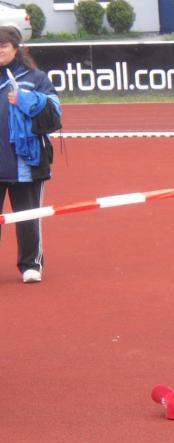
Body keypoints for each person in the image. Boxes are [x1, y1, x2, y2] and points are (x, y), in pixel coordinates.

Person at [0, 26, 61, 284]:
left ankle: (31, 264)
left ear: (16, 49)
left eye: (3, 46)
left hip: (26, 162)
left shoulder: (36, 78)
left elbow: (55, 114)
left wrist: (26, 100)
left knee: (28, 216)